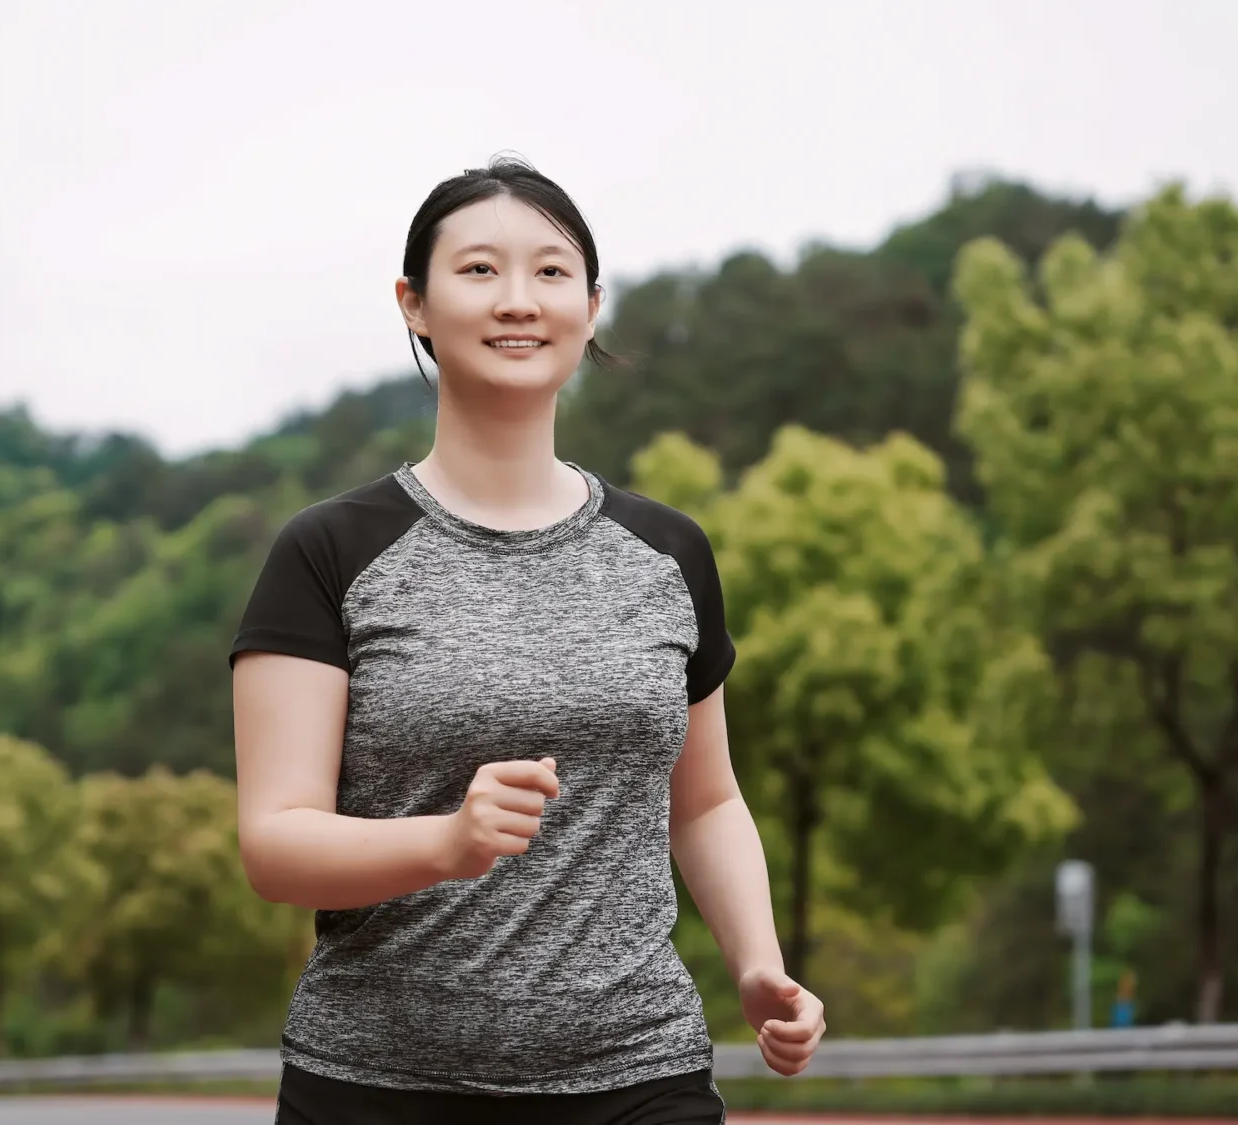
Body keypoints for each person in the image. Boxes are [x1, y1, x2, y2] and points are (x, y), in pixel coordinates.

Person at [229, 155, 826, 1125]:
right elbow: (274, 843)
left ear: (590, 307)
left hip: (637, 1077)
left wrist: (758, 964)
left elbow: (705, 802)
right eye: (477, 271)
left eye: (549, 273)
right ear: (413, 304)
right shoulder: (328, 553)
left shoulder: (666, 554)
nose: (517, 300)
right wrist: (445, 842)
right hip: (376, 1088)